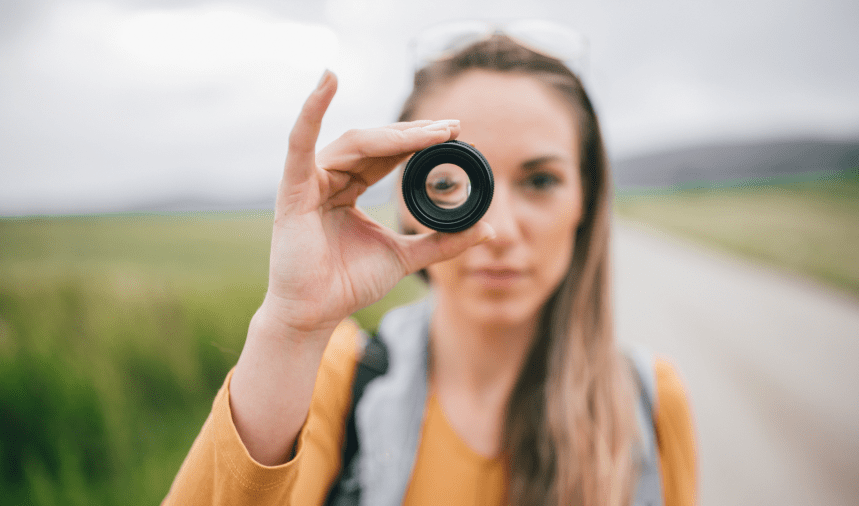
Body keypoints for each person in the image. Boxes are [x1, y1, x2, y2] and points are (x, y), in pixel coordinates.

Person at [163, 33, 697, 506]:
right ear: (407, 201)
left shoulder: (648, 403)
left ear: (587, 201)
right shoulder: (335, 379)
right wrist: (291, 327)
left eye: (540, 181)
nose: (499, 229)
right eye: (447, 183)